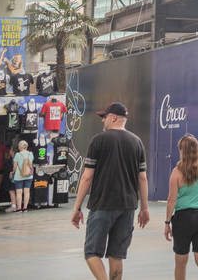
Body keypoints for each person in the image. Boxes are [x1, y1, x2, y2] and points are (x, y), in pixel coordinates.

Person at [71, 102, 149, 280]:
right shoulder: (137, 142)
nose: (103, 121)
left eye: (104, 117)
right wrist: (144, 208)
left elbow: (87, 177)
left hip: (102, 205)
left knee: (91, 252)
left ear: (113, 118)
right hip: (127, 207)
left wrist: (77, 207)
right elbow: (142, 178)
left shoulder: (98, 141)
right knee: (116, 255)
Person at [164, 135, 198, 280]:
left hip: (184, 219)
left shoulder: (177, 172)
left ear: (183, 151)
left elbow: (171, 200)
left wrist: (167, 222)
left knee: (181, 261)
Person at [11, 140, 34, 212]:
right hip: (29, 175)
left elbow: (15, 167)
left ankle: (19, 208)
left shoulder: (18, 155)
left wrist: (13, 172)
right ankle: (25, 208)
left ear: (20, 147)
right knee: (27, 192)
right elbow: (31, 164)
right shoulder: (30, 154)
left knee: (19, 192)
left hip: (19, 176)